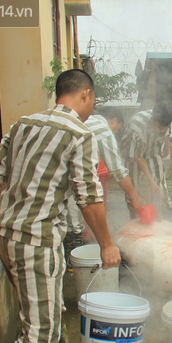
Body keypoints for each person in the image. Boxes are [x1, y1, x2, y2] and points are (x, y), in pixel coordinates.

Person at [0, 69, 121, 343]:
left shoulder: (24, 123)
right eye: (92, 101)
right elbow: (89, 198)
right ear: (85, 94)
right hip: (36, 241)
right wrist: (107, 243)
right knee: (37, 329)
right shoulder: (80, 133)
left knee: (41, 307)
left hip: (7, 235)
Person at [64, 108, 144, 255]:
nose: (114, 133)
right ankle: (74, 265)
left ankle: (71, 259)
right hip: (70, 185)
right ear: (113, 120)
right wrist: (135, 196)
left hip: (57, 187)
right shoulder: (102, 130)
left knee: (67, 221)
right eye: (117, 129)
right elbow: (118, 170)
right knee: (73, 224)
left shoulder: (87, 120)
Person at [118, 104, 172, 214]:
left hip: (153, 151)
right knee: (136, 189)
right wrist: (151, 181)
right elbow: (138, 156)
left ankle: (159, 216)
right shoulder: (137, 127)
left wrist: (167, 145)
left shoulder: (169, 117)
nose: (161, 130)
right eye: (158, 127)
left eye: (165, 127)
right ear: (152, 120)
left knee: (160, 188)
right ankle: (136, 217)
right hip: (133, 155)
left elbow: (170, 130)